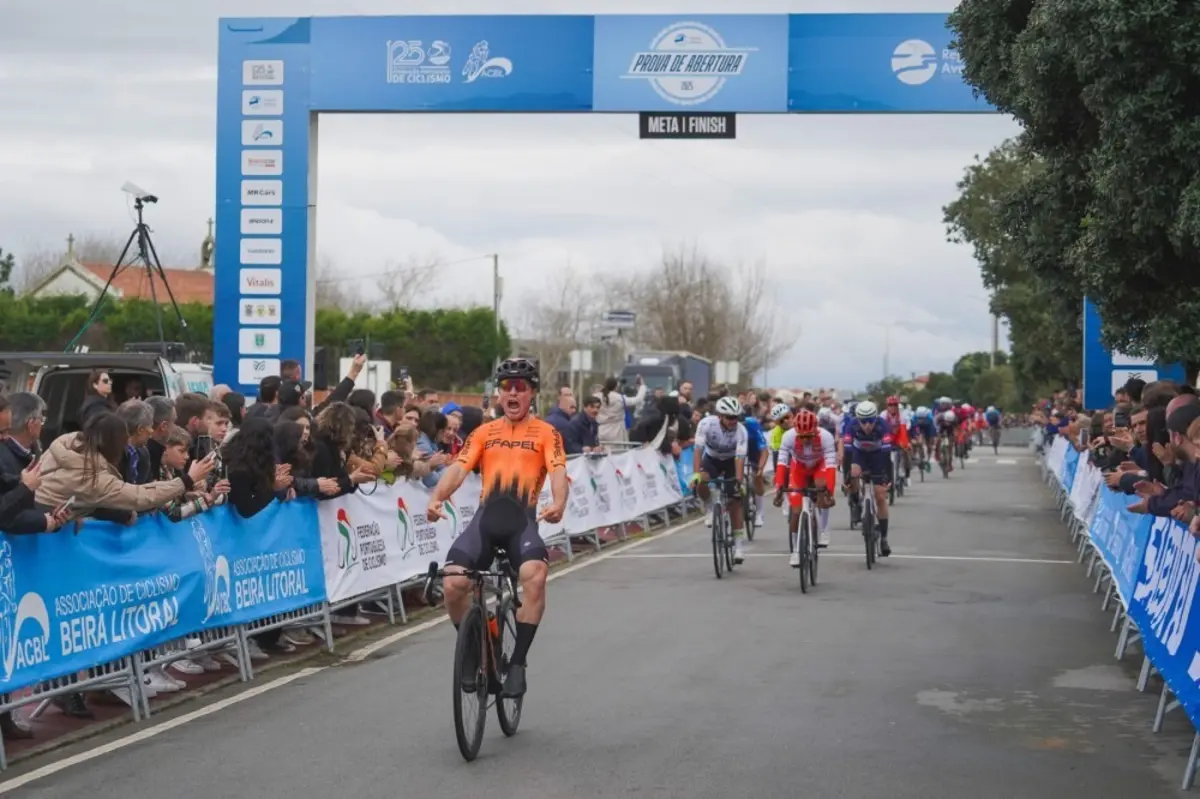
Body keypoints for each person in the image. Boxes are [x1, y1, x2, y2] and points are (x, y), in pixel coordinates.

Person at [426, 358, 568, 699]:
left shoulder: (547, 432)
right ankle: (473, 647)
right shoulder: (484, 433)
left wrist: (559, 502)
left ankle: (517, 663)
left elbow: (559, 471)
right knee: (453, 583)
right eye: (507, 387)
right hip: (485, 523)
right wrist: (437, 497)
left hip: (522, 524)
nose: (513, 392)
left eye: (521, 386)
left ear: (532, 392)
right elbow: (458, 470)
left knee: (534, 575)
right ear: (499, 394)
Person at [689, 396, 749, 563]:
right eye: (730, 417)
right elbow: (698, 450)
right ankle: (709, 507)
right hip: (712, 459)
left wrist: (738, 481)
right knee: (701, 479)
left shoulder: (741, 431)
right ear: (720, 416)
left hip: (731, 462)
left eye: (736, 417)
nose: (733, 421)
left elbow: (740, 458)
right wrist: (695, 473)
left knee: (735, 501)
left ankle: (739, 546)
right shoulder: (706, 424)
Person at [774, 409, 838, 560]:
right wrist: (779, 489)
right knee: (795, 511)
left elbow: (830, 468)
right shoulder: (788, 437)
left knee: (821, 485)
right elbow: (782, 465)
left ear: (815, 431)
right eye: (801, 436)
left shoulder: (826, 437)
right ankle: (796, 550)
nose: (805, 440)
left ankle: (823, 530)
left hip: (818, 466)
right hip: (799, 469)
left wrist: (830, 492)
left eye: (809, 436)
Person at [845, 400, 894, 557]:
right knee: (853, 473)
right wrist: (847, 476)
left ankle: (884, 538)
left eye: (870, 421)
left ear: (876, 419)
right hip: (860, 454)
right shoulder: (851, 425)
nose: (867, 425)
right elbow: (847, 453)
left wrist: (887, 477)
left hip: (878, 456)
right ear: (858, 420)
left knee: (880, 495)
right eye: (863, 422)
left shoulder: (883, 426)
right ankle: (855, 502)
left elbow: (887, 456)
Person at [740, 403, 769, 528]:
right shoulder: (728, 425)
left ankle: (759, 512)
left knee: (756, 475)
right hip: (736, 448)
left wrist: (760, 468)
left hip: (752, 448)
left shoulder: (752, 424)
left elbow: (764, 450)